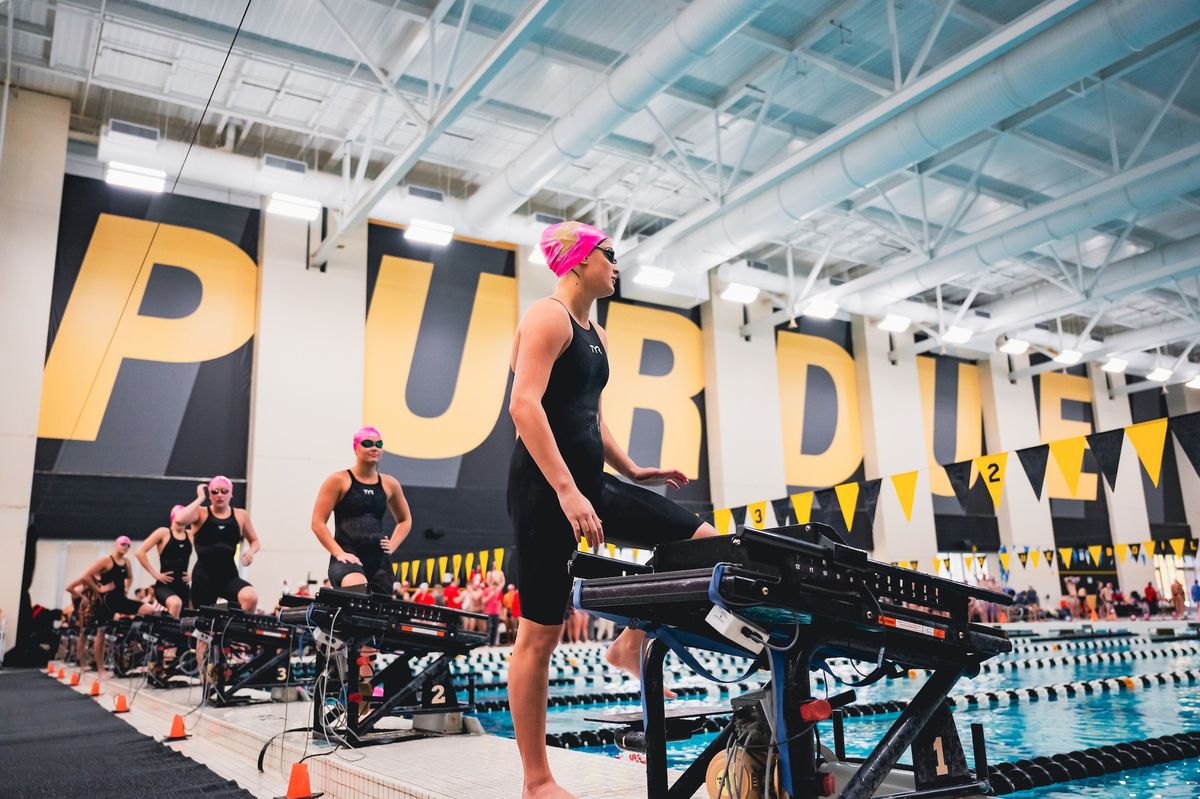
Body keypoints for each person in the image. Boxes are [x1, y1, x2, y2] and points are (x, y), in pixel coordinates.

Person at [506, 221, 718, 799]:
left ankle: (629, 642)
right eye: (607, 254)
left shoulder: (593, 328)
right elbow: (524, 408)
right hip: (544, 491)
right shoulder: (547, 318)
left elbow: (586, 414)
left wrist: (633, 471)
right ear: (577, 262)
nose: (615, 265)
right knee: (540, 635)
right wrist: (567, 492)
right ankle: (537, 780)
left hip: (589, 483)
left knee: (702, 540)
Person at [311, 427, 412, 595]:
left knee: (379, 615)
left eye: (378, 444)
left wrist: (392, 545)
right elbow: (317, 522)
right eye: (367, 444)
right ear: (355, 449)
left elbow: (405, 520)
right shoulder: (338, 480)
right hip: (348, 558)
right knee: (358, 591)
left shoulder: (389, 484)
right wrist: (338, 552)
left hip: (379, 563)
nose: (374, 448)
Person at [78, 536, 156, 676]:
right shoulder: (106, 561)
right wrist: (99, 589)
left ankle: (144, 652)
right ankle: (101, 670)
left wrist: (127, 587)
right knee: (101, 632)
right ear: (116, 545)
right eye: (123, 544)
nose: (125, 547)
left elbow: (130, 577)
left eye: (128, 545)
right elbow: (86, 576)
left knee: (149, 609)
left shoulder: (127, 562)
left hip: (121, 599)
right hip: (106, 602)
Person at [135, 492, 203, 617]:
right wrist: (155, 574)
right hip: (164, 586)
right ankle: (169, 633)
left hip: (183, 587)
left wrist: (194, 574)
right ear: (174, 517)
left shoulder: (190, 535)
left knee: (186, 618)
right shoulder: (163, 532)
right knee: (175, 603)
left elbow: (208, 554)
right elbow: (139, 553)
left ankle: (171, 635)